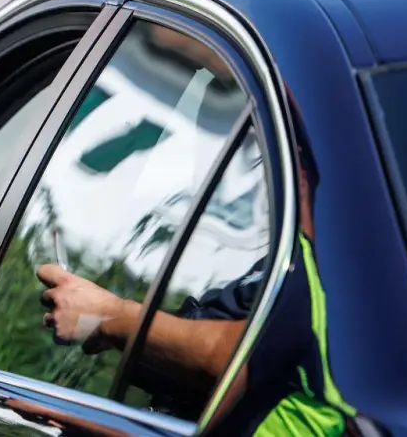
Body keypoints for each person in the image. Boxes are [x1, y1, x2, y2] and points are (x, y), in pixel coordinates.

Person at [36, 134, 358, 435]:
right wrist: (117, 330)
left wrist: (108, 316)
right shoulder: (293, 263)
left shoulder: (339, 282)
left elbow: (243, 353)